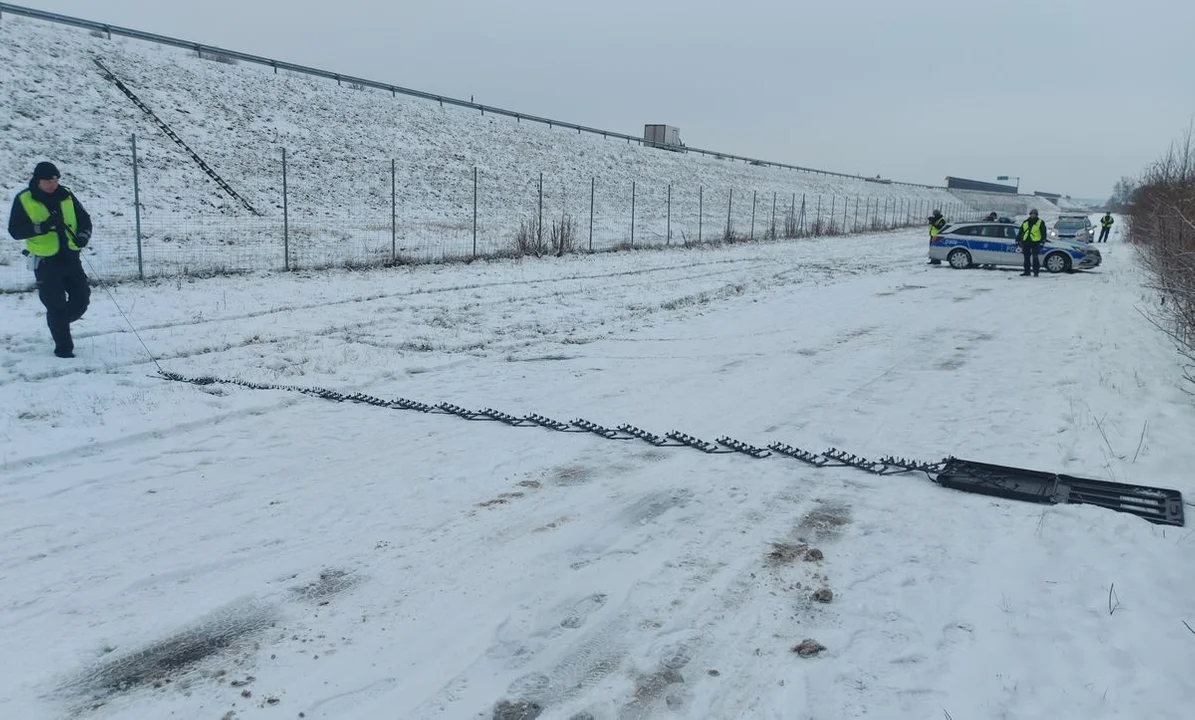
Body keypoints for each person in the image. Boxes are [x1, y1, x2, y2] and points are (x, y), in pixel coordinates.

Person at [7, 161, 93, 358]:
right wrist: (42, 227)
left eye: (56, 179)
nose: (53, 184)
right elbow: (15, 231)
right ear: (38, 181)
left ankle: (58, 321)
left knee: (81, 299)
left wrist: (83, 236)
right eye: (48, 180)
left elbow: (84, 219)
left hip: (71, 257)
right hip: (46, 262)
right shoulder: (24, 199)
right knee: (56, 304)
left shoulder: (66, 194)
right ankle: (64, 349)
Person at [1017, 208, 1046, 276]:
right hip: (1026, 242)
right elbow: (1021, 231)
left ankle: (1036, 272)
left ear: (1036, 215)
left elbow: (1043, 233)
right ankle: (1027, 272)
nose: (1033, 215)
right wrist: (1018, 240)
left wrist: (1043, 241)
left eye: (1034, 214)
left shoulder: (1040, 222)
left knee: (1035, 257)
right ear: (1030, 214)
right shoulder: (1025, 222)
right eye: (1032, 214)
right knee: (1026, 258)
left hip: (1035, 242)